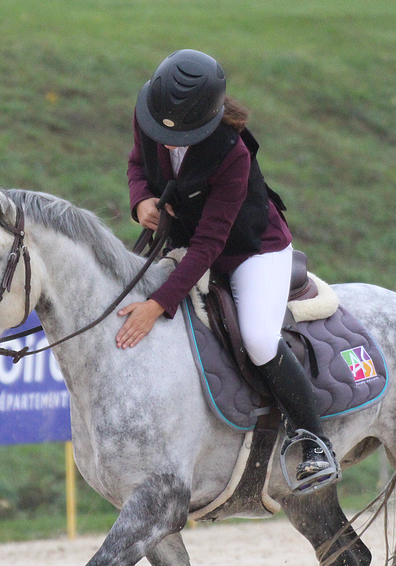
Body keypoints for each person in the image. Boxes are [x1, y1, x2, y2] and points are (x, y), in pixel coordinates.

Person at [116, 49, 338, 483]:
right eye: (160, 131)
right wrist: (140, 199)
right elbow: (137, 163)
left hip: (253, 249)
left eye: (179, 137)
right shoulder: (153, 116)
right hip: (188, 238)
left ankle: (315, 440)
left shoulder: (232, 153)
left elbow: (210, 245)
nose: (166, 141)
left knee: (257, 338)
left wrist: (159, 304)